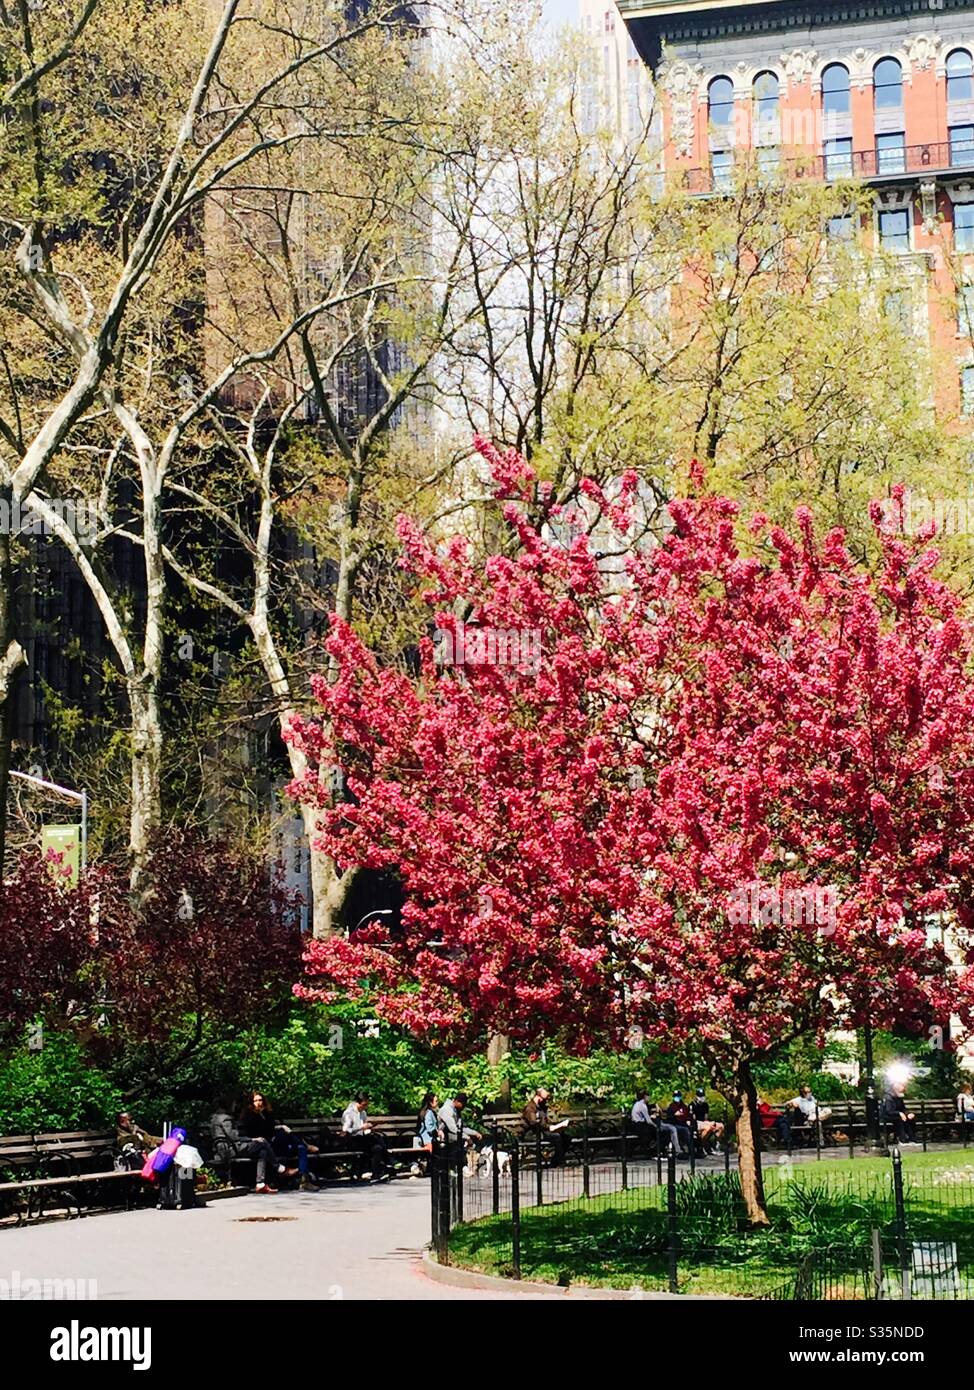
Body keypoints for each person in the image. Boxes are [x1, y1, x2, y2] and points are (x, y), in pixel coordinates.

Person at [239, 1091, 319, 1191]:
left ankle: (304, 1180)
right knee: (283, 1133)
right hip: (265, 1143)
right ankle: (305, 1145)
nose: (259, 1102)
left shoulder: (266, 1113)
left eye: (260, 1100)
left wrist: (269, 1118)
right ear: (251, 1103)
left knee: (301, 1148)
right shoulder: (249, 1116)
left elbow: (271, 1128)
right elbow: (257, 1132)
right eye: (256, 1101)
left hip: (276, 1141)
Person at [210, 1099, 286, 1194]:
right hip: (230, 1149)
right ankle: (277, 1166)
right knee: (262, 1142)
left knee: (262, 1152)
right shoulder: (226, 1118)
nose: (234, 1107)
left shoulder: (215, 1117)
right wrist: (252, 1139)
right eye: (233, 1105)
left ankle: (260, 1184)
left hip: (224, 1148)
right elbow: (234, 1137)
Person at [340, 1093, 389, 1181]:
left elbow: (364, 1129)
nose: (365, 1107)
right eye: (364, 1105)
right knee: (376, 1140)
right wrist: (361, 1128)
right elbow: (346, 1131)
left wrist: (369, 1130)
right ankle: (389, 1161)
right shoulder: (348, 1113)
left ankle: (376, 1174)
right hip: (351, 1140)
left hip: (362, 1139)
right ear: (357, 1103)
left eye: (367, 1105)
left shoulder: (363, 1113)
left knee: (377, 1147)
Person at [521, 1087, 571, 1166]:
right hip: (533, 1134)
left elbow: (545, 1121)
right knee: (556, 1137)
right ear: (538, 1098)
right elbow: (534, 1123)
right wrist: (549, 1128)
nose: (545, 1101)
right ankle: (557, 1162)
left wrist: (557, 1125)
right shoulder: (530, 1108)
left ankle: (556, 1160)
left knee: (566, 1137)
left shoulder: (541, 1107)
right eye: (544, 1099)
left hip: (543, 1131)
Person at [439, 1093, 482, 1174]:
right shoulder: (447, 1110)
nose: (464, 1107)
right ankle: (458, 1165)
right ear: (457, 1102)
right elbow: (453, 1129)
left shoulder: (455, 1110)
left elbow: (461, 1127)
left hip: (451, 1134)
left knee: (467, 1139)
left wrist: (474, 1133)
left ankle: (464, 1164)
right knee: (461, 1140)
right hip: (444, 1136)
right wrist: (467, 1137)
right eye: (463, 1104)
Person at [664, 1092, 693, 1157]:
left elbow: (688, 1115)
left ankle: (692, 1149)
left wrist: (688, 1120)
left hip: (684, 1124)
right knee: (684, 1130)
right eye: (676, 1096)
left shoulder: (684, 1106)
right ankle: (679, 1150)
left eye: (678, 1096)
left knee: (688, 1129)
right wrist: (674, 1115)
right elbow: (668, 1118)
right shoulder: (671, 1106)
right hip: (674, 1124)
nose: (677, 1098)